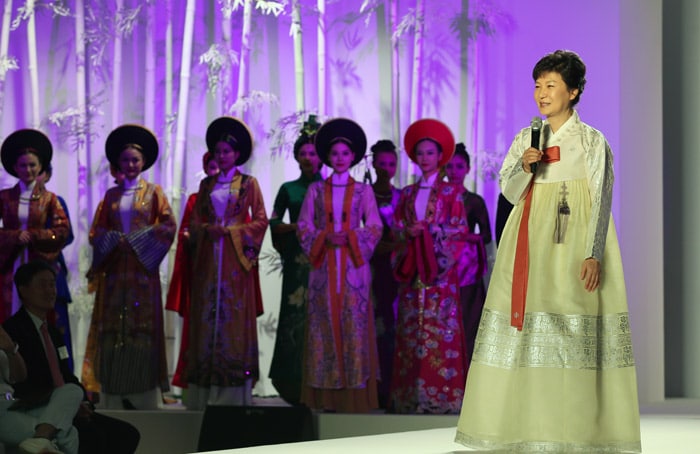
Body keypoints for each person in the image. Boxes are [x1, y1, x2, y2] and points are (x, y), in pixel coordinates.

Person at [455, 50, 641, 452]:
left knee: (570, 333)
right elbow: (508, 192)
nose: (542, 93)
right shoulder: (528, 137)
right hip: (528, 244)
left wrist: (594, 254)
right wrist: (524, 167)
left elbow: (603, 198)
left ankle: (574, 433)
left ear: (572, 92)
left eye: (551, 85)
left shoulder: (592, 141)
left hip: (573, 245)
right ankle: (521, 428)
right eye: (538, 85)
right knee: (523, 334)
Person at [82, 124, 176, 410]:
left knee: (141, 326)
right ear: (118, 163)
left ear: (143, 161)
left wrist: (134, 241)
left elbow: (168, 226)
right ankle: (111, 388)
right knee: (112, 327)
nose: (131, 165)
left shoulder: (155, 192)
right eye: (126, 160)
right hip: (113, 275)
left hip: (140, 274)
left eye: (135, 159)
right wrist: (113, 240)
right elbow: (96, 232)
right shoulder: (110, 197)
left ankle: (142, 390)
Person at [4, 260, 140, 454]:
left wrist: (83, 402)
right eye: (43, 284)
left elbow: (66, 375)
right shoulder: (12, 331)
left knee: (127, 434)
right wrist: (66, 403)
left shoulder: (53, 332)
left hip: (69, 404)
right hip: (39, 407)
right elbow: (22, 383)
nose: (51, 290)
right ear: (24, 290)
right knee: (95, 438)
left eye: (52, 284)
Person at [296, 118, 382, 413]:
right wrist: (323, 237)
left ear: (353, 156)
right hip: (323, 269)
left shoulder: (363, 192)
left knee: (353, 324)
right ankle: (325, 397)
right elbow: (304, 226)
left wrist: (350, 237)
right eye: (335, 154)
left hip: (353, 269)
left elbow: (374, 226)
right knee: (323, 325)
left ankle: (354, 397)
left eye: (345, 154)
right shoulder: (316, 191)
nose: (340, 159)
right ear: (327, 158)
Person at [185, 117, 268, 409]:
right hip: (209, 260)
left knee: (232, 319)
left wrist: (232, 231)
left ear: (237, 154)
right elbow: (195, 224)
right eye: (218, 151)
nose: (222, 156)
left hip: (234, 261)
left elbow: (260, 220)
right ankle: (204, 387)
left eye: (227, 151)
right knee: (207, 316)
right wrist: (209, 230)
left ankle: (233, 390)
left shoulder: (248, 184)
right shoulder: (205, 185)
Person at [389, 119, 469, 414]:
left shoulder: (452, 193)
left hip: (439, 277)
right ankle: (410, 395)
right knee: (411, 332)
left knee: (440, 332)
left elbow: (458, 229)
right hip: (413, 275)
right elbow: (396, 225)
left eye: (430, 153)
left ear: (440, 157)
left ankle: (442, 395)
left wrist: (432, 231)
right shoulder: (407, 193)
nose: (424, 158)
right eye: (420, 153)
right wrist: (407, 231)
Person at [268, 115, 323, 405]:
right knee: (294, 318)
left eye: (312, 152)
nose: (307, 157)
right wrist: (299, 228)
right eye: (302, 153)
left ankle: (323, 382)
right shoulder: (289, 189)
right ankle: (291, 382)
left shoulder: (333, 188)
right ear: (296, 157)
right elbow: (274, 221)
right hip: (298, 262)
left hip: (327, 263)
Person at [0, 129, 69, 323]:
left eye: (32, 165)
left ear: (40, 168)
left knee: (39, 310)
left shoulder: (50, 199)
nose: (28, 170)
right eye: (23, 165)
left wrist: (34, 235)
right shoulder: (4, 197)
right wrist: (13, 236)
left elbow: (63, 231)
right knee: (11, 309)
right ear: (15, 167)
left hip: (38, 261)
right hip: (10, 262)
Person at [165, 151, 219, 390]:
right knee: (197, 324)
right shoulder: (195, 200)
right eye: (211, 165)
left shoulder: (238, 196)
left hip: (228, 272)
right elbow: (186, 229)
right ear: (205, 168)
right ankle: (192, 381)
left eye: (219, 165)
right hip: (201, 270)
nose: (216, 170)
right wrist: (192, 235)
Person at [444, 143, 492, 367]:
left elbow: (486, 235)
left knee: (468, 318)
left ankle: (468, 370)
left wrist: (464, 236)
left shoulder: (474, 201)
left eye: (459, 166)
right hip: (440, 266)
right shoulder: (438, 199)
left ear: (468, 169)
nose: (454, 171)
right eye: (450, 167)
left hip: (466, 269)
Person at [1, 323, 82, 454]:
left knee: (73, 390)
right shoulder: (15, 325)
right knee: (68, 434)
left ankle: (40, 438)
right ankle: (42, 438)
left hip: (12, 403)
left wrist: (11, 350)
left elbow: (19, 377)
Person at [368, 139, 401, 409]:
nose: (386, 168)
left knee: (393, 327)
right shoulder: (362, 195)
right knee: (372, 325)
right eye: (382, 163)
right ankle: (370, 388)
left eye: (391, 164)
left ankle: (391, 388)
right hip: (367, 269)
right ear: (372, 163)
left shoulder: (402, 196)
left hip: (395, 270)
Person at [36, 162, 76, 372]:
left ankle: (63, 378)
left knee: (57, 328)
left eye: (38, 170)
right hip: (17, 268)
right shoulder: (9, 199)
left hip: (50, 270)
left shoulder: (54, 201)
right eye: (23, 166)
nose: (32, 173)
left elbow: (66, 235)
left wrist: (36, 239)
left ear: (48, 174)